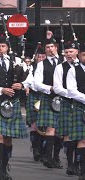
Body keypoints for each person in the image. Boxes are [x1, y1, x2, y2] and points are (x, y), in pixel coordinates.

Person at [0, 35, 28, 180]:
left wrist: (22, 85)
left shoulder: (17, 61)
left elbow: (30, 78)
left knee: (8, 138)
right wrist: (1, 90)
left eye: (3, 46)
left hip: (13, 102)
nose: (0, 49)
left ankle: (4, 167)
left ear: (7, 48)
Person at [34, 33, 64, 169]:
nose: (50, 49)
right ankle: (48, 157)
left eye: (52, 46)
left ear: (56, 47)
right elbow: (37, 84)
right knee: (50, 129)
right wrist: (51, 88)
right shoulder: (41, 65)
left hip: (64, 98)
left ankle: (56, 156)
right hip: (49, 97)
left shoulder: (64, 61)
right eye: (47, 47)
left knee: (61, 130)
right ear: (45, 49)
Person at [53, 42, 79, 175]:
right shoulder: (60, 68)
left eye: (71, 51)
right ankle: (70, 164)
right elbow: (57, 87)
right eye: (67, 52)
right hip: (68, 103)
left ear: (77, 52)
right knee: (68, 135)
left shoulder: (82, 66)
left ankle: (78, 163)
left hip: (81, 104)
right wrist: (72, 94)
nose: (69, 54)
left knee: (80, 136)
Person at [66, 43, 85, 180]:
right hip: (80, 107)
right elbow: (72, 91)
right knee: (82, 140)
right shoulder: (73, 70)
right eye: (84, 55)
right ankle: (82, 171)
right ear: (79, 55)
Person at [25, 47, 46, 162]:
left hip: (45, 96)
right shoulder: (32, 68)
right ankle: (36, 149)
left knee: (44, 124)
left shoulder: (49, 67)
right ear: (36, 57)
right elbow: (28, 81)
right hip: (34, 95)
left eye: (43, 56)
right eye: (39, 57)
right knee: (34, 125)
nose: (41, 58)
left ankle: (43, 149)